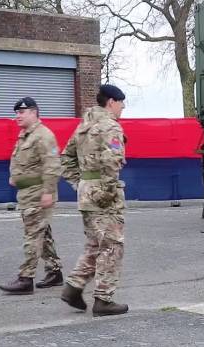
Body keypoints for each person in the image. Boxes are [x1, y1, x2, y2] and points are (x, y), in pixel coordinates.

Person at [59, 84, 129, 317]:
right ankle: (103, 299)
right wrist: (106, 192)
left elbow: (66, 158)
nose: (123, 107)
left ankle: (74, 287)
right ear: (111, 102)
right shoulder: (110, 126)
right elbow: (112, 162)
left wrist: (81, 184)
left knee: (95, 245)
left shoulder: (84, 126)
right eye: (121, 103)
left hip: (87, 194)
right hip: (104, 198)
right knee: (111, 246)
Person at [0, 97, 64, 294]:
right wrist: (14, 175)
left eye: (21, 112)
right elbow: (21, 160)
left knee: (33, 236)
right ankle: (55, 272)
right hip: (26, 194)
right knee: (42, 235)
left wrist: (48, 192)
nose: (17, 116)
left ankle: (25, 278)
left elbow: (52, 165)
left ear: (34, 113)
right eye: (16, 113)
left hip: (38, 193)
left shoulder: (44, 136)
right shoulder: (25, 135)